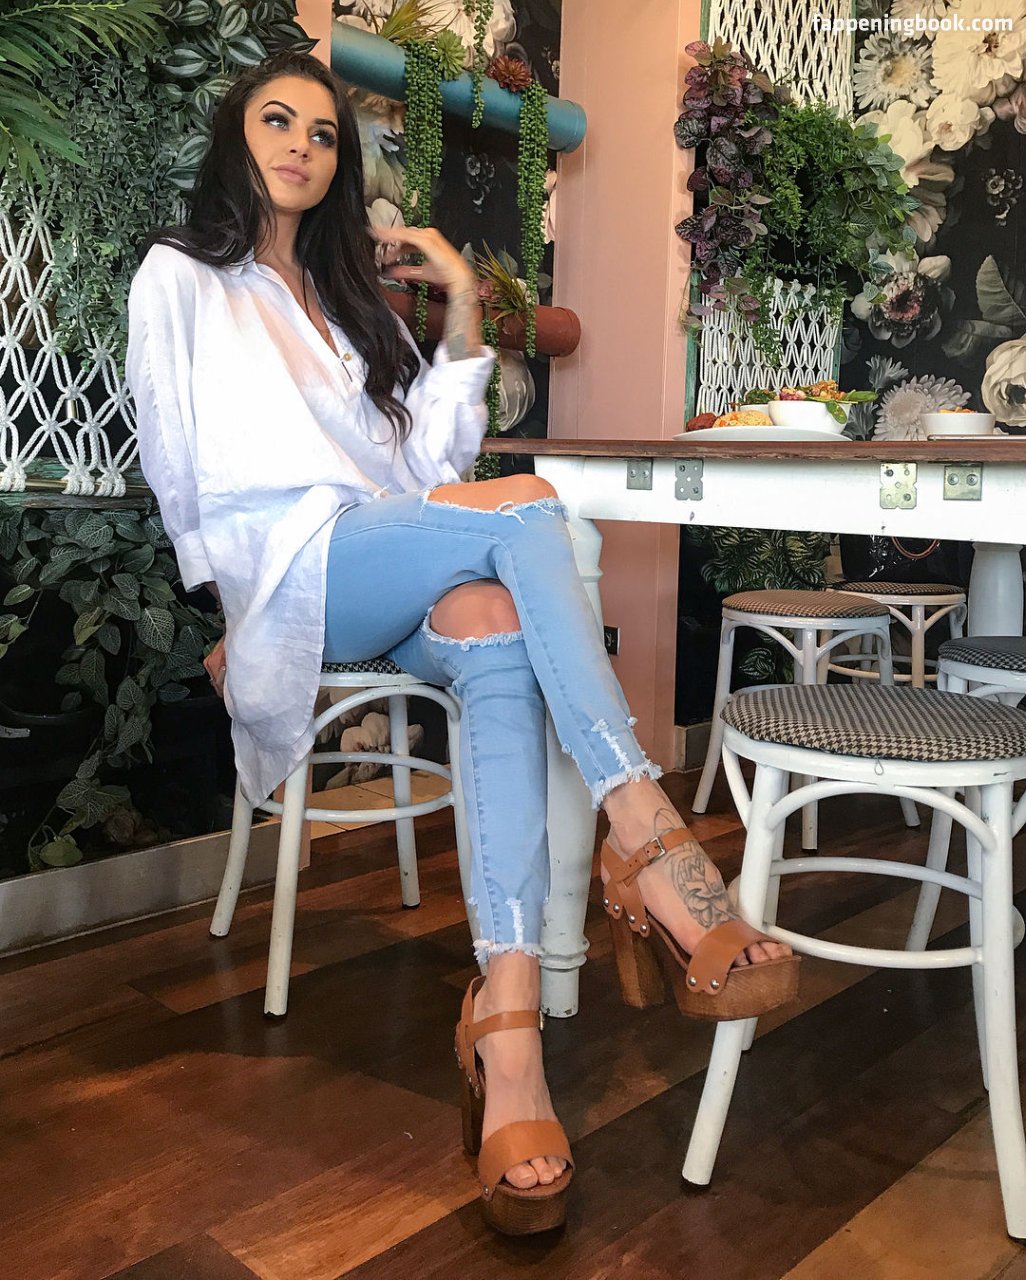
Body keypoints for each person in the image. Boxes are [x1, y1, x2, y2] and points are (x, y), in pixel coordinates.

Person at [126, 49, 796, 1237]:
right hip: (294, 571)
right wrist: (231, 612)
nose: (300, 145)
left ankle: (509, 1027)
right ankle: (642, 828)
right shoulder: (182, 276)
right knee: (527, 501)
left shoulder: (346, 301)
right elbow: (176, 465)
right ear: (237, 136)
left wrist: (464, 301)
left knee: (493, 618)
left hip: (386, 553)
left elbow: (430, 467)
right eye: (277, 121)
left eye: (322, 133)